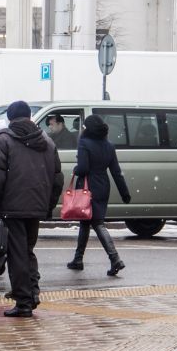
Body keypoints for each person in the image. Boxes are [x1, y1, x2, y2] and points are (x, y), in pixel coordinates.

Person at [0, 101, 63, 318]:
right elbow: (57, 178)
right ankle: (32, 292)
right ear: (29, 116)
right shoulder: (46, 141)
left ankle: (24, 301)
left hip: (12, 206)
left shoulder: (2, 140)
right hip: (36, 206)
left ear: (9, 118)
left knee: (17, 254)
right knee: (27, 251)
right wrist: (48, 205)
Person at [67, 114, 131, 276]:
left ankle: (115, 259)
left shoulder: (84, 143)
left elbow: (83, 168)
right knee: (85, 222)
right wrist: (125, 193)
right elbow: (116, 171)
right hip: (103, 186)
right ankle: (78, 259)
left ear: (88, 129)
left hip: (88, 188)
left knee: (96, 223)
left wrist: (75, 170)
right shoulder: (108, 145)